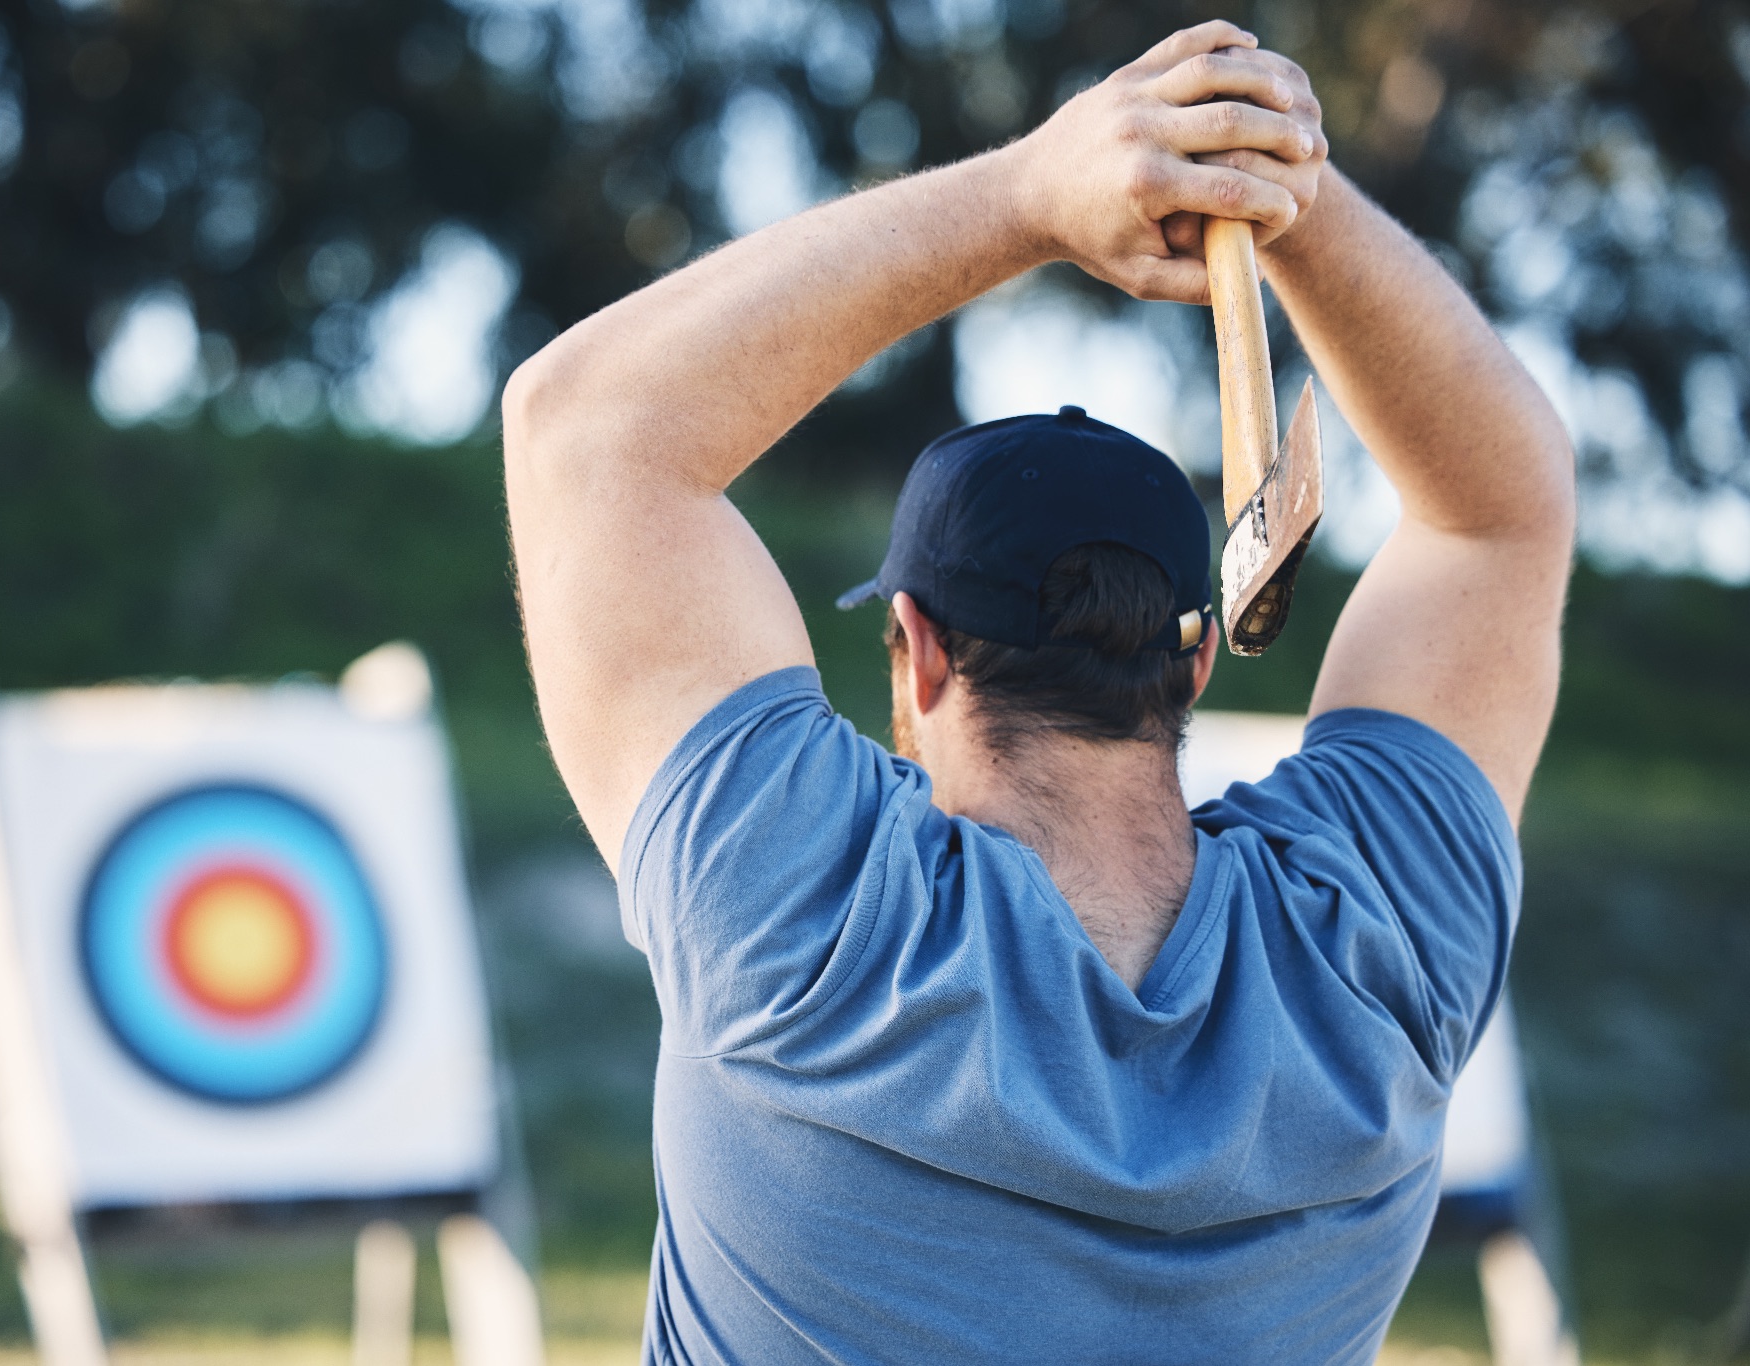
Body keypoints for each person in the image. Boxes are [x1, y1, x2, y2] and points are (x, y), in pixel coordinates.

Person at [503, 20, 1574, 1364]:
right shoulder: (1374, 960)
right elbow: (1503, 512)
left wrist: (1028, 194)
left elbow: (583, 431)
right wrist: (1280, 180)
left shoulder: (811, 919)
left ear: (920, 650)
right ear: (1189, 661)